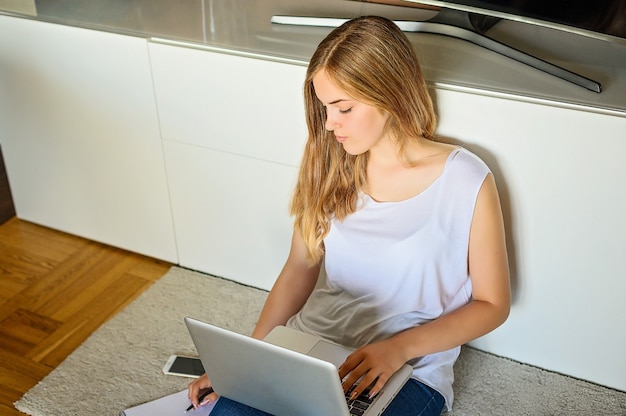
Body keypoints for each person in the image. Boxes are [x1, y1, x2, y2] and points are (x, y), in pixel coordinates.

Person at [188, 15, 510, 415]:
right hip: (313, 345)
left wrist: (398, 350)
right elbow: (299, 267)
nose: (329, 124)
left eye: (343, 108)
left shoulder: (464, 178)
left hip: (408, 369)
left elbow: (492, 303)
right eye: (325, 108)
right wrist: (246, 362)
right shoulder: (329, 164)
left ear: (389, 92)